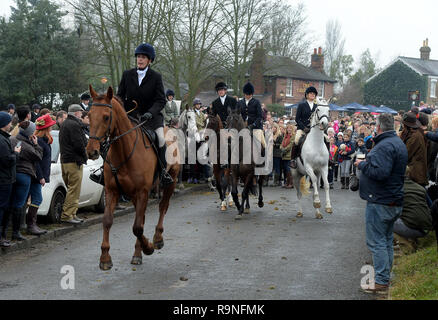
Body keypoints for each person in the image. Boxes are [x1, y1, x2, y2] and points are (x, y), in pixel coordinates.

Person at [354, 113, 408, 293]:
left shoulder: (384, 146)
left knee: (377, 242)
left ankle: (382, 280)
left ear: (378, 127)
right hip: (391, 199)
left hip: (381, 201)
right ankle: (385, 276)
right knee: (385, 241)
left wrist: (361, 165)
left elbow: (381, 173)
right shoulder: (396, 142)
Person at [117, 43, 173, 186]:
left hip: (151, 119)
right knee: (114, 138)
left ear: (149, 60)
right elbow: (119, 97)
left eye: (143, 57)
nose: (140, 60)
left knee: (160, 139)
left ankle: (163, 173)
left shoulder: (156, 77)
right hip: (130, 117)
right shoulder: (127, 74)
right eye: (138, 57)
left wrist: (150, 112)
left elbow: (161, 100)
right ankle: (104, 172)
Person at [3, 121, 43, 241]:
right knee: (19, 204)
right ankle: (16, 232)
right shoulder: (27, 145)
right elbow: (38, 156)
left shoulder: (12, 139)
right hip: (24, 175)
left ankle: (5, 231)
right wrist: (36, 144)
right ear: (30, 133)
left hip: (12, 174)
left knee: (9, 203)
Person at [27, 114, 57, 235]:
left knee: (33, 199)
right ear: (46, 128)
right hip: (36, 175)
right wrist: (41, 177)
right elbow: (37, 161)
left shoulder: (44, 139)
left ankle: (31, 224)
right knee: (37, 198)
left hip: (38, 175)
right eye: (50, 126)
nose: (51, 128)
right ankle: (31, 225)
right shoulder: (39, 141)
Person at [59, 104, 88, 224]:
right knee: (74, 189)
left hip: (65, 160)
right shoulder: (75, 125)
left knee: (71, 188)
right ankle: (67, 215)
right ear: (76, 113)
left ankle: (72, 213)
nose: (81, 114)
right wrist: (85, 156)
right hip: (74, 161)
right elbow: (79, 144)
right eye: (81, 112)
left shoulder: (64, 124)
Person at [393, 173, 434, 252]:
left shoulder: (397, 189)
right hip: (427, 228)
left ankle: (407, 246)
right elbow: (430, 206)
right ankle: (413, 240)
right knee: (409, 214)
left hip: (413, 227)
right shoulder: (420, 188)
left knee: (384, 221)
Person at [0, 112, 21, 247]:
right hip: (3, 180)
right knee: (1, 208)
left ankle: (3, 235)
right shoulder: (1, 140)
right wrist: (16, 154)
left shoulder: (4, 138)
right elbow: (6, 161)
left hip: (6, 178)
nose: (11, 125)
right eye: (9, 122)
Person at [290, 86, 318, 169]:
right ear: (307, 95)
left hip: (314, 130)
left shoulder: (317, 106)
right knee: (297, 139)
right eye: (311, 93)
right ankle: (293, 159)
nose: (312, 95)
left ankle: (328, 159)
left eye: (314, 94)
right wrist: (303, 128)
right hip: (303, 128)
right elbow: (297, 119)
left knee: (326, 138)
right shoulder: (302, 105)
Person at [400, 112, 428, 186]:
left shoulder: (415, 136)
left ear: (405, 125)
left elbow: (406, 154)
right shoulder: (412, 133)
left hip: (416, 175)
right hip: (414, 173)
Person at [238, 82, 265, 150]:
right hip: (243, 126)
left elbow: (260, 116)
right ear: (244, 93)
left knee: (262, 143)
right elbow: (237, 114)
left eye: (249, 94)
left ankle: (265, 156)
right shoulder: (240, 102)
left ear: (252, 94)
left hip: (255, 126)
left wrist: (254, 124)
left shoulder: (256, 102)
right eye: (246, 94)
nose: (248, 96)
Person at [280, 124, 294, 188]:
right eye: (288, 128)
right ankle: (287, 183)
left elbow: (291, 145)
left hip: (289, 155)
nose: (289, 129)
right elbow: (282, 144)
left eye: (290, 128)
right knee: (285, 170)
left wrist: (284, 149)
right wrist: (281, 148)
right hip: (284, 155)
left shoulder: (293, 136)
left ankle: (290, 183)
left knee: (289, 170)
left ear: (292, 129)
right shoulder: (285, 136)